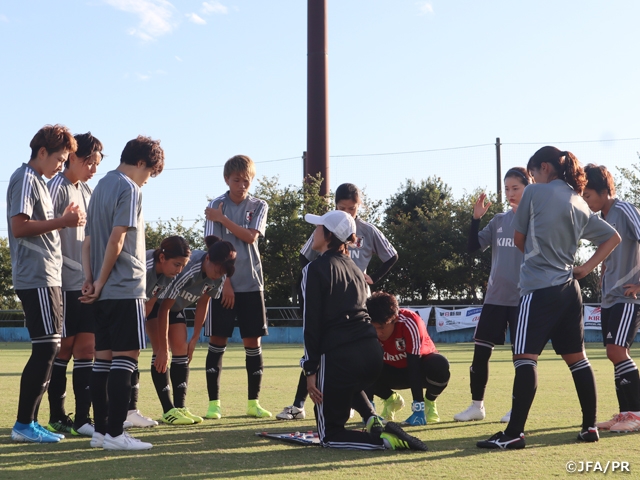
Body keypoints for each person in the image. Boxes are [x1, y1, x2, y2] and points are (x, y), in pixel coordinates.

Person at [477, 146, 620, 450]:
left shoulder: (534, 193)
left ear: (544, 168)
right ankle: (589, 427)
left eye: (532, 174)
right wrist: (584, 269)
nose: (532, 179)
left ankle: (514, 433)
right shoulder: (579, 202)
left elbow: (518, 238)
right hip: (570, 290)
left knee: (525, 358)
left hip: (538, 288)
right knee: (577, 359)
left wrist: (536, 255)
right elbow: (612, 238)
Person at [301, 209, 427, 450]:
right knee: (349, 382)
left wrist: (310, 370)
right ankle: (372, 418)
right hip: (371, 354)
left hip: (340, 354)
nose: (314, 232)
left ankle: (383, 441)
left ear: (328, 235)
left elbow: (311, 324)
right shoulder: (357, 270)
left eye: (318, 228)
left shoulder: (314, 269)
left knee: (330, 435)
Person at [278, 182, 398, 421]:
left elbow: (392, 255)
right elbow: (305, 257)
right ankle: (301, 404)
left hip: (356, 301)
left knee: (335, 354)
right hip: (334, 300)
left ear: (359, 207)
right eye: (342, 207)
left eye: (351, 208)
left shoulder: (366, 230)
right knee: (326, 350)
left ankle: (371, 404)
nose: (347, 212)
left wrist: (371, 278)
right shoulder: (327, 226)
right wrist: (313, 280)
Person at [80, 135, 164, 451]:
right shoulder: (130, 188)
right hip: (124, 286)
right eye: (149, 173)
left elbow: (87, 241)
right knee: (126, 358)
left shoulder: (99, 186)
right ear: (141, 163)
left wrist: (90, 281)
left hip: (101, 292)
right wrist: (101, 281)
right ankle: (116, 434)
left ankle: (102, 433)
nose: (147, 180)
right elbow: (116, 239)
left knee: (102, 361)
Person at [8, 124, 83, 443]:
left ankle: (30, 422)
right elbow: (20, 227)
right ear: (42, 153)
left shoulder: (39, 181)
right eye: (60, 159)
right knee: (47, 346)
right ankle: (24, 424)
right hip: (35, 274)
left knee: (50, 346)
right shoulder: (24, 178)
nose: (61, 166)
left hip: (50, 276)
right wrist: (62, 222)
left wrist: (61, 220)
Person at [454, 167, 531, 423]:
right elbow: (473, 246)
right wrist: (475, 218)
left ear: (528, 188)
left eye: (515, 188)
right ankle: (477, 406)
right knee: (480, 353)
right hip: (494, 298)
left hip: (522, 300)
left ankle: (516, 409)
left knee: (521, 357)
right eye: (506, 188)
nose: (510, 193)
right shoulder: (498, 220)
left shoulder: (536, 220)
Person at [202, 155, 271, 419]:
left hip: (252, 284)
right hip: (223, 286)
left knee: (252, 342)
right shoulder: (215, 205)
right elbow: (213, 247)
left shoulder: (259, 205)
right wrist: (225, 281)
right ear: (226, 179)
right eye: (236, 180)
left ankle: (253, 403)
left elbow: (250, 237)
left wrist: (224, 220)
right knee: (217, 341)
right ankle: (213, 404)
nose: (242, 185)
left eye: (247, 180)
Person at [45, 132, 102, 437]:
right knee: (63, 348)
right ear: (73, 158)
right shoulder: (55, 186)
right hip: (64, 282)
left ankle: (83, 419)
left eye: (97, 163)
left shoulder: (88, 190)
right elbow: (48, 233)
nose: (93, 168)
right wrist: (70, 269)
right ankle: (57, 416)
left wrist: (93, 276)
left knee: (87, 348)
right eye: (89, 161)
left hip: (87, 283)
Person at [152, 235, 236, 425]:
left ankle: (180, 408)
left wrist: (195, 337)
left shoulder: (220, 275)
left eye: (223, 271)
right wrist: (165, 348)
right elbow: (164, 307)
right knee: (160, 353)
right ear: (207, 259)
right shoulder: (189, 270)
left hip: (175, 307)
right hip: (157, 304)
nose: (218, 274)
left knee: (181, 349)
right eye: (217, 269)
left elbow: (203, 302)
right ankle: (168, 410)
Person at [582, 164, 640, 433]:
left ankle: (637, 415)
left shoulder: (625, 209)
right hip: (609, 298)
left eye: (588, 194)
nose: (586, 200)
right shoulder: (600, 219)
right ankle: (626, 414)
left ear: (605, 191)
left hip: (628, 297)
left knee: (617, 351)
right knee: (615, 353)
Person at [127, 236, 192, 428]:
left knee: (132, 353)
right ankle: (118, 412)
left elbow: (154, 305)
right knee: (117, 356)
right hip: (116, 305)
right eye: (177, 264)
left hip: (136, 307)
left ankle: (129, 411)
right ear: (162, 258)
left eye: (183, 266)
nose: (179, 270)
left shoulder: (168, 275)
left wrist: (163, 348)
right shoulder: (142, 267)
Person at [366, 291, 450, 425]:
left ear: (394, 318)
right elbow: (367, 364)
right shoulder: (365, 325)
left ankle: (429, 402)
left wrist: (418, 408)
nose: (378, 333)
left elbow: (414, 365)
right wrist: (369, 412)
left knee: (440, 364)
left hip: (418, 368)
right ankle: (391, 400)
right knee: (359, 366)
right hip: (390, 372)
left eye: (382, 327)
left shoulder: (410, 322)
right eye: (374, 327)